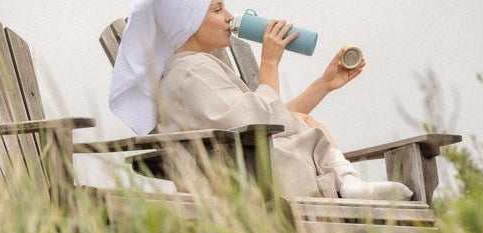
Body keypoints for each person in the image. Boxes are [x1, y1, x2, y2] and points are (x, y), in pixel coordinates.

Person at [109, 0, 411, 200]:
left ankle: (348, 184)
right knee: (302, 123)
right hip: (255, 185)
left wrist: (325, 84)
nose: (229, 16)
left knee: (303, 121)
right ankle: (346, 185)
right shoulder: (189, 73)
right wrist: (269, 63)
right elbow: (261, 123)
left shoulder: (198, 67)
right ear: (185, 23)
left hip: (252, 165)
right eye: (217, 10)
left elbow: (273, 118)